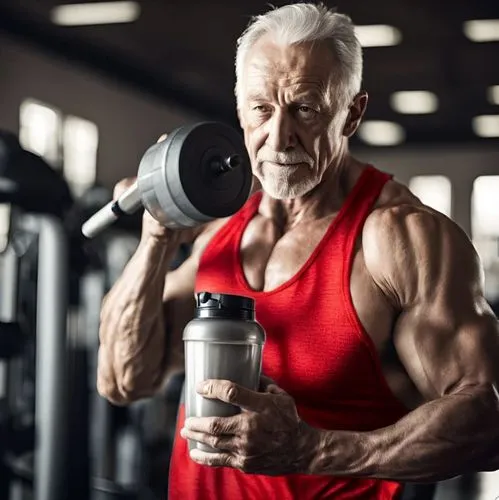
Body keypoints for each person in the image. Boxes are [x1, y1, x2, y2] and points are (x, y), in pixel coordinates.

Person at [96, 3, 499, 499]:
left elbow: (486, 417)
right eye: (261, 109)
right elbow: (122, 380)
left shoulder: (398, 237)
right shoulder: (220, 227)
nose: (278, 138)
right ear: (240, 106)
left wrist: (311, 450)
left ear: (352, 113)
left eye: (305, 109)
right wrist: (156, 238)